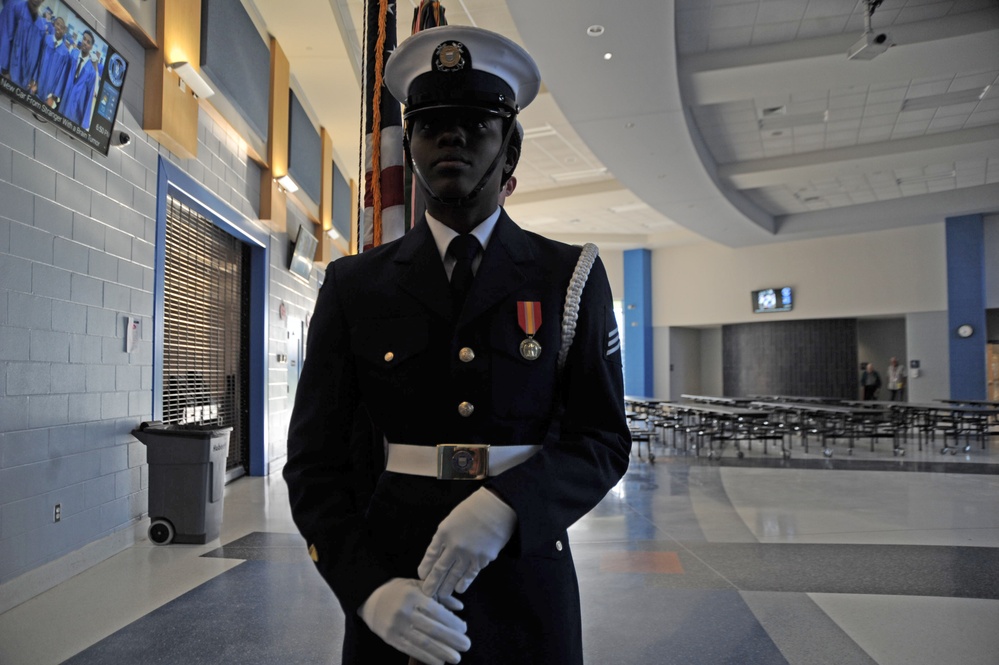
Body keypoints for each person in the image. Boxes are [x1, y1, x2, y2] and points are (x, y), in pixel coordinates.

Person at [284, 24, 631, 665]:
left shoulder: (567, 276)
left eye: (477, 122)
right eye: (432, 122)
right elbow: (315, 464)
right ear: (409, 142)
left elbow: (602, 439)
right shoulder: (355, 285)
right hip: (397, 578)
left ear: (511, 146)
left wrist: (509, 508)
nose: (453, 137)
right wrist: (366, 590)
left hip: (527, 579)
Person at [59, 29, 96, 127]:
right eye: (84, 39)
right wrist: (55, 94)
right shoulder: (73, 55)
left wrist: (84, 123)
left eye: (88, 42)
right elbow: (63, 75)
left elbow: (89, 98)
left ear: (91, 47)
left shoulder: (92, 72)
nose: (85, 43)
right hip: (64, 101)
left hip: (76, 110)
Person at [35, 15, 71, 107]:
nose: (59, 28)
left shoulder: (65, 53)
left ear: (64, 31)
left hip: (49, 95)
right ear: (54, 24)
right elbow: (38, 61)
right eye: (58, 24)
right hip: (37, 86)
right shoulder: (46, 40)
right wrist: (34, 81)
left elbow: (62, 77)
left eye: (62, 27)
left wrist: (53, 97)